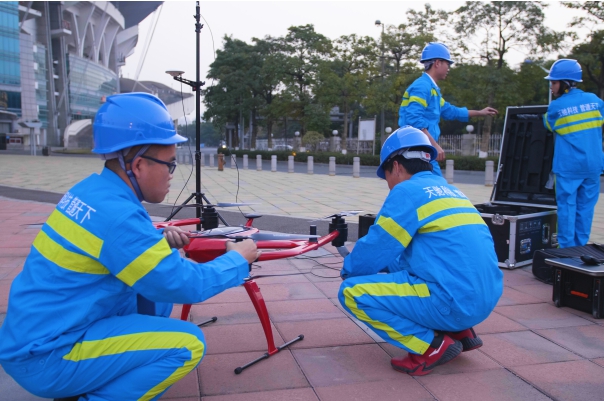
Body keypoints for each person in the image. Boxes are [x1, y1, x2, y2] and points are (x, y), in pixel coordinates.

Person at [0, 93, 260, 401]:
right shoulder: (120, 216)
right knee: (187, 345)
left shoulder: (92, 191)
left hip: (33, 334)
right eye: (170, 164)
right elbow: (185, 284)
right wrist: (237, 260)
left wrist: (157, 242)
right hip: (48, 357)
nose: (172, 175)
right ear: (138, 165)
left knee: (155, 300)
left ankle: (98, 374)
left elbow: (111, 247)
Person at [338, 126, 503, 376]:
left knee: (352, 293)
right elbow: (407, 256)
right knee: (402, 265)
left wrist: (349, 269)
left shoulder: (407, 191)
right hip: (485, 297)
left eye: (386, 176)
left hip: (452, 302)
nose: (388, 184)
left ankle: (430, 346)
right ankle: (460, 331)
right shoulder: (451, 191)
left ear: (396, 166)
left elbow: (378, 246)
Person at [398, 42, 499, 176]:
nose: (449, 68)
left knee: (431, 187)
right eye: (448, 63)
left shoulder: (432, 89)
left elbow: (451, 111)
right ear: (437, 63)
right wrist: (434, 145)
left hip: (422, 150)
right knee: (436, 186)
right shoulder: (422, 87)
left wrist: (479, 112)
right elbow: (414, 119)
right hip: (418, 150)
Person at [543, 59, 604, 248]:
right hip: (593, 165)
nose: (551, 87)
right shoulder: (596, 101)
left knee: (567, 209)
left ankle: (566, 250)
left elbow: (548, 124)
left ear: (565, 83)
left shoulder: (556, 106)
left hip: (569, 166)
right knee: (586, 209)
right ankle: (580, 248)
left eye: (554, 82)